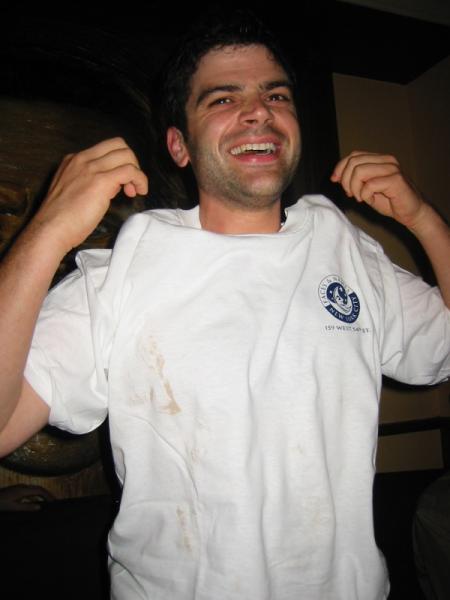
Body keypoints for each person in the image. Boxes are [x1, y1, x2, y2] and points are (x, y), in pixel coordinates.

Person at [0, 11, 449, 600]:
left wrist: (424, 220)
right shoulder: (123, 270)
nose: (259, 112)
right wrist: (48, 231)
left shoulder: (346, 249)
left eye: (276, 95)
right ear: (179, 146)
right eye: (223, 99)